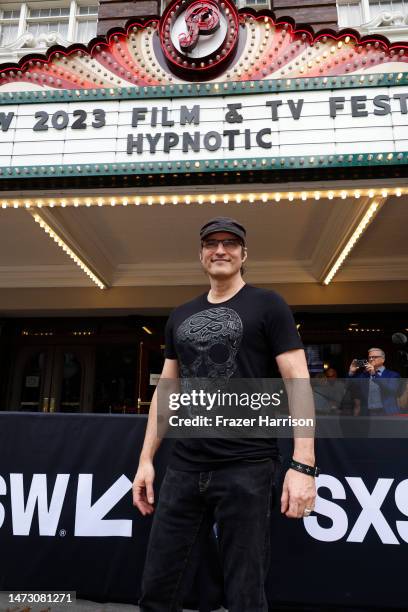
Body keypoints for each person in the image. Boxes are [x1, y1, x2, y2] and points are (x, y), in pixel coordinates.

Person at [132, 217, 318, 612]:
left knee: (244, 591)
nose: (220, 250)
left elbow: (297, 381)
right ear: (201, 254)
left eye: (230, 243)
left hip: (247, 466)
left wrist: (304, 465)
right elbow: (167, 393)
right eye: (211, 243)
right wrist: (146, 460)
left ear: (243, 254)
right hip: (184, 467)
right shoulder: (180, 315)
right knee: (158, 587)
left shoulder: (269, 304)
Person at [348, 348, 401, 416]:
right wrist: (351, 372)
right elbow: (350, 386)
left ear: (383, 359)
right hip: (368, 414)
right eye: (369, 357)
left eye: (375, 357)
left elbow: (391, 390)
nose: (371, 359)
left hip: (386, 412)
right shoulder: (364, 375)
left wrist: (374, 374)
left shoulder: (393, 375)